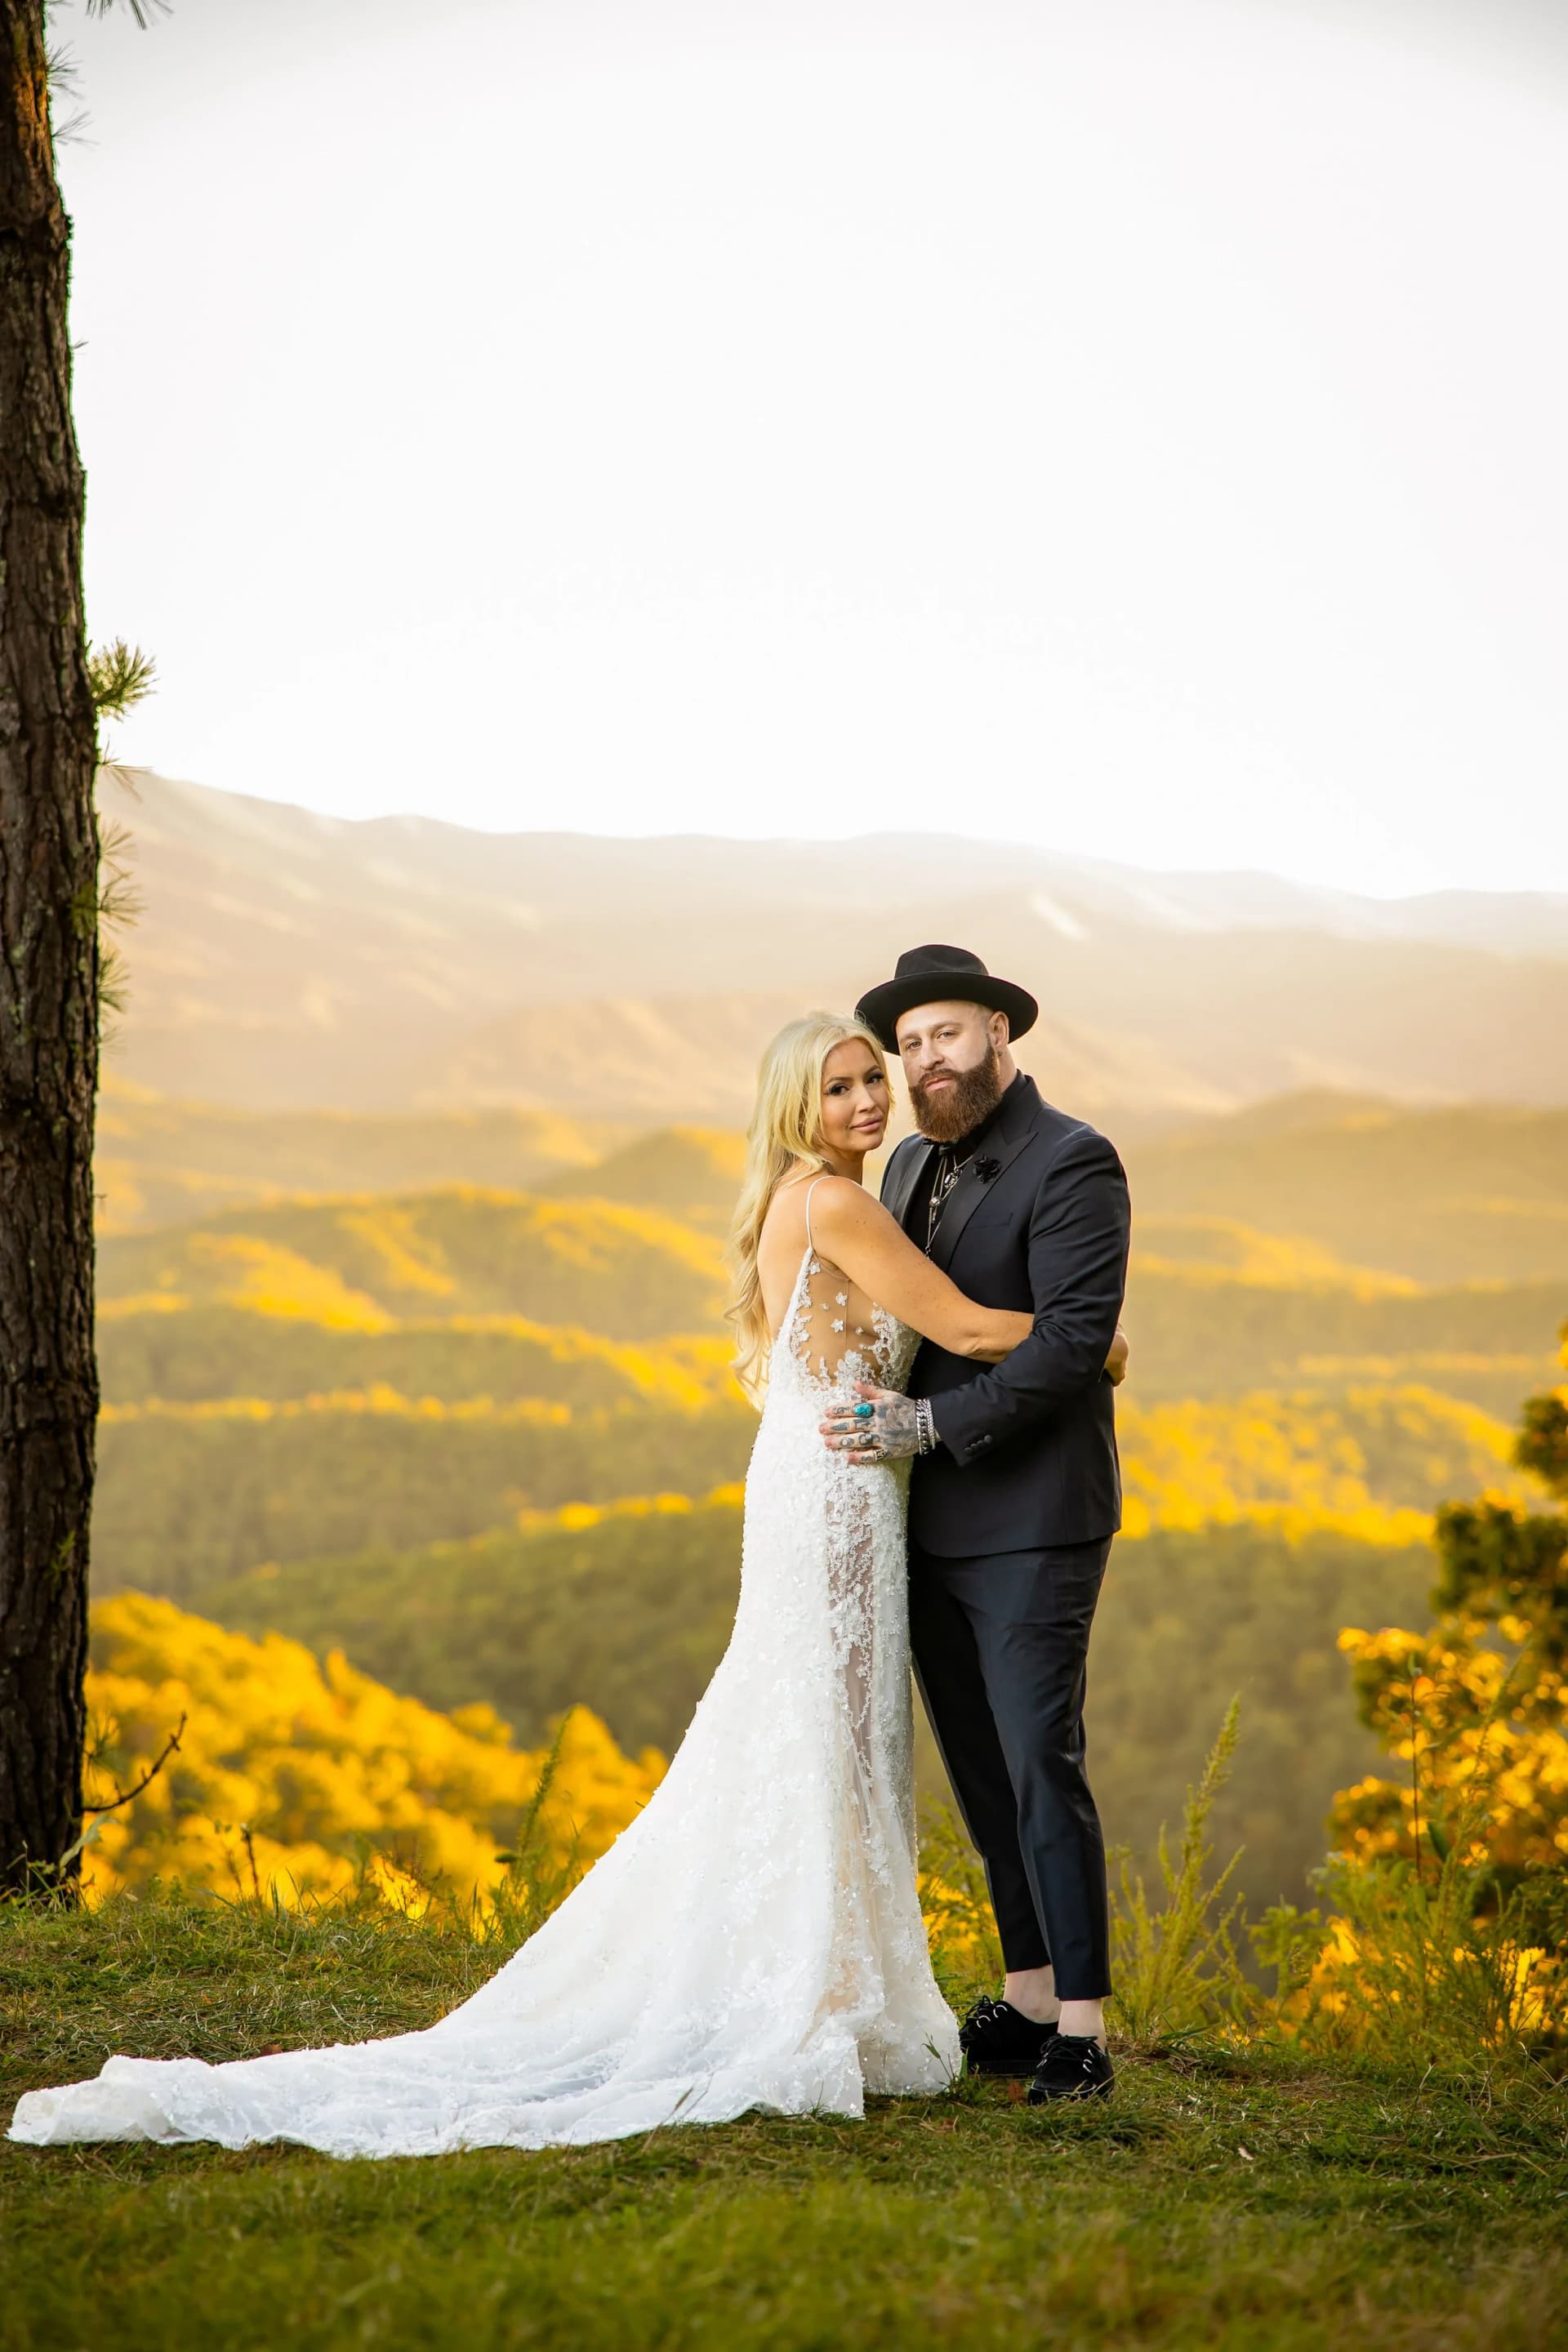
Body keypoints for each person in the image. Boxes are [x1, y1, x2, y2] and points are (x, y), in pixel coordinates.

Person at [8, 1009, 1125, 2158]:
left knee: (820, 1732)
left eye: (869, 1081)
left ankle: (825, 1976)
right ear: (796, 1106)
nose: (867, 1102)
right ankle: (814, 1988)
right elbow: (957, 1323)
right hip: (840, 1496)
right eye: (838, 1088)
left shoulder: (834, 1191)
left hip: (826, 1479)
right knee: (831, 1735)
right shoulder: (837, 1198)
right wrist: (1090, 1345)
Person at [820, 944, 1131, 2103]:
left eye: (944, 1034)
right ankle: (1032, 1988)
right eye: (907, 1046)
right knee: (981, 1770)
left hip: (1034, 1520)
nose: (923, 1061)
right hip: (924, 1522)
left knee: (1043, 1763)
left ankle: (1085, 2032)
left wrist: (929, 1429)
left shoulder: (1074, 1160)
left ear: (1000, 1031)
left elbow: (1065, 1350)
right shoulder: (902, 1163)